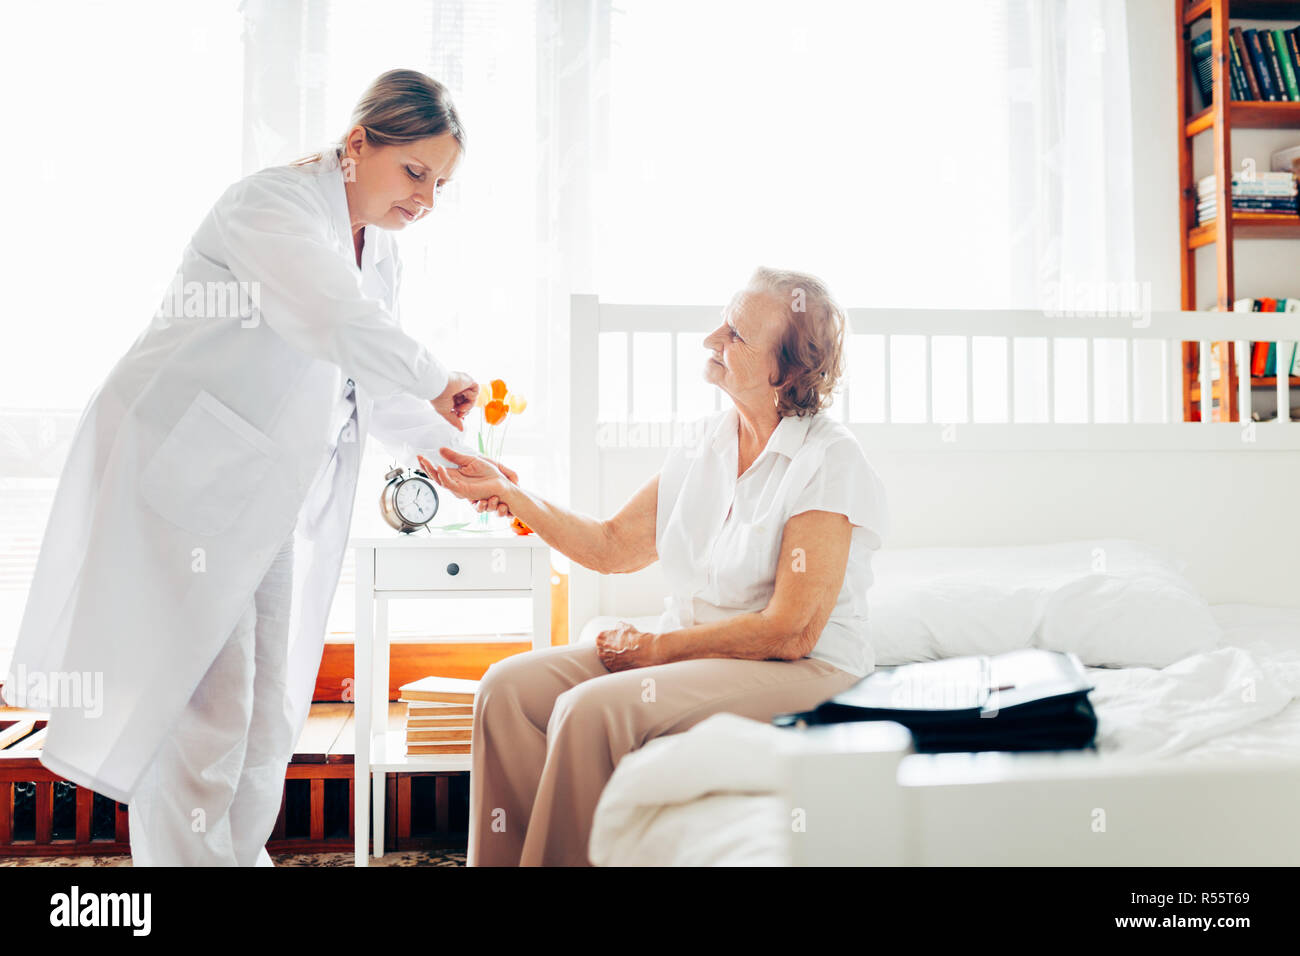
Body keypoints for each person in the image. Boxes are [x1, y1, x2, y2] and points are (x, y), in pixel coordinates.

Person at [1, 69, 480, 866]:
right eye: (416, 172)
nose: (427, 198)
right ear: (358, 144)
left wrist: (455, 454)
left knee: (269, 711)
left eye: (442, 183)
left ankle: (236, 857)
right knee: (206, 710)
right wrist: (437, 375)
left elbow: (370, 380)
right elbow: (331, 315)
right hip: (181, 479)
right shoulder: (271, 205)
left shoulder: (380, 249)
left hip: (261, 496)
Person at [421, 266, 890, 866]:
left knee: (591, 712)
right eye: (724, 320)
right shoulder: (705, 442)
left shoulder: (830, 458)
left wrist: (653, 651)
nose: (711, 338)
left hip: (807, 670)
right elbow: (614, 544)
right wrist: (514, 495)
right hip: (699, 654)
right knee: (506, 691)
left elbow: (791, 631)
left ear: (788, 371)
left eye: (737, 335)